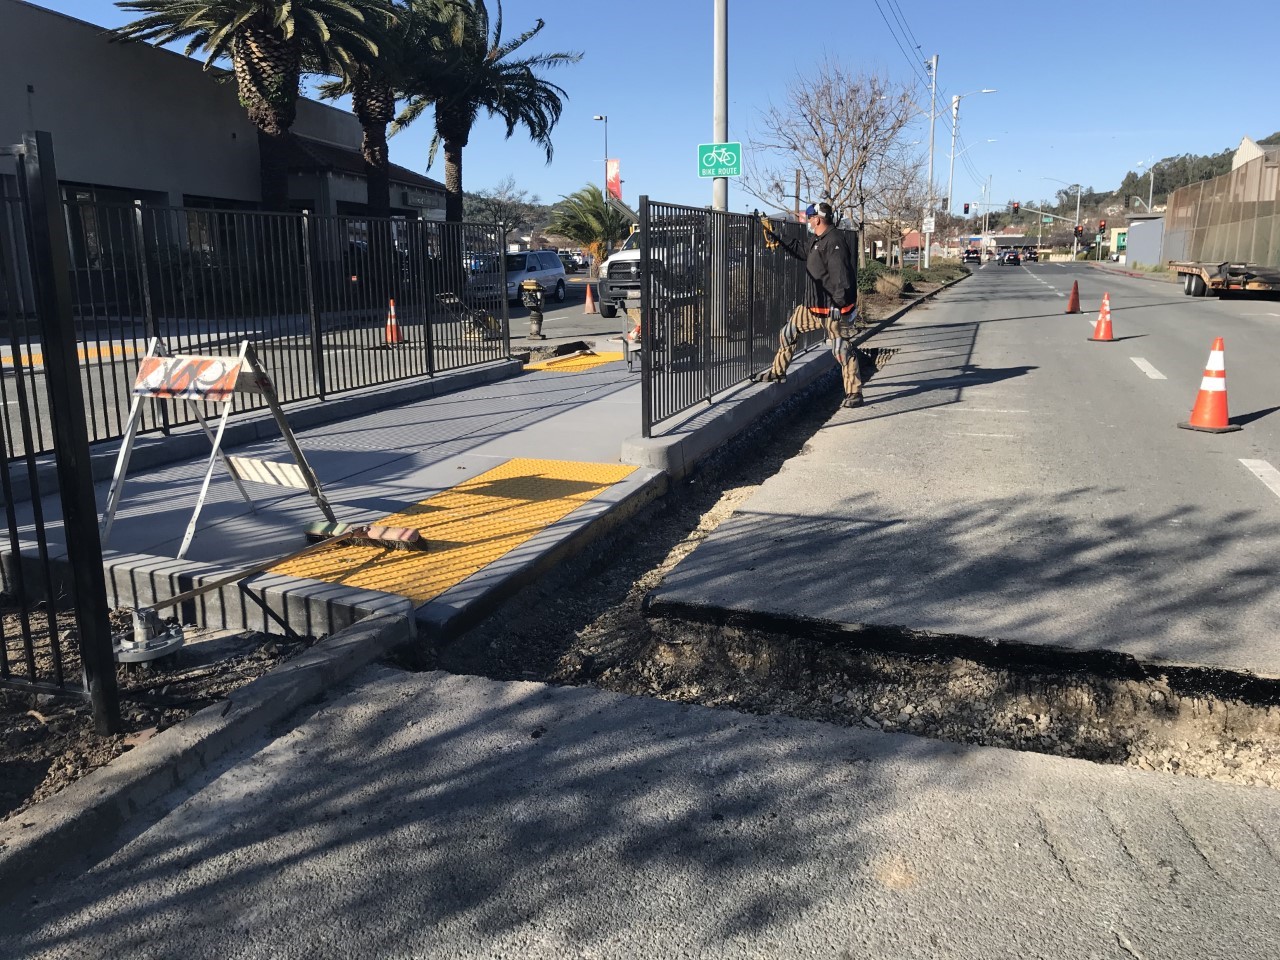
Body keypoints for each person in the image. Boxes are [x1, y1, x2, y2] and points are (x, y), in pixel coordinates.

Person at [757, 201, 864, 408]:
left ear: (818, 218)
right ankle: (777, 372)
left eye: (809, 216)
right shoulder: (818, 238)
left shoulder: (834, 241)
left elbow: (841, 277)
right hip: (813, 306)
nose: (807, 219)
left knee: (841, 349)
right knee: (788, 332)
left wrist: (839, 306)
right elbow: (802, 250)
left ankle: (854, 393)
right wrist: (778, 235)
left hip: (833, 308)